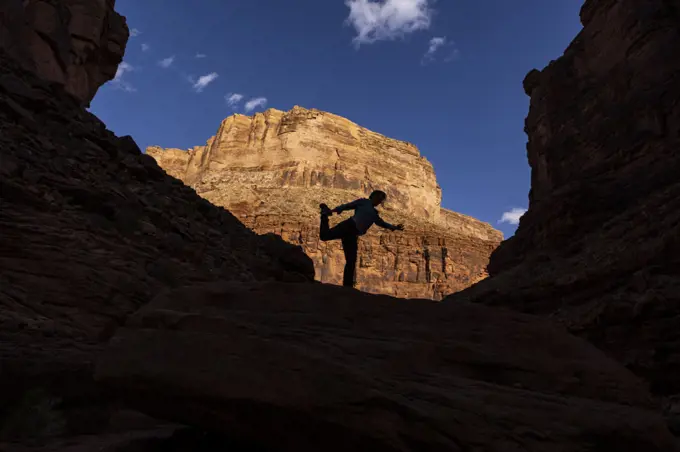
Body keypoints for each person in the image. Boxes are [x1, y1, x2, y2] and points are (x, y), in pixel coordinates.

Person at [319, 190, 404, 288]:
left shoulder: (374, 214)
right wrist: (333, 210)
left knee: (351, 260)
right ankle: (324, 214)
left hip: (353, 234)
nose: (380, 202)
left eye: (381, 200)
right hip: (348, 226)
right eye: (379, 199)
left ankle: (348, 286)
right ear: (373, 196)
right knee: (324, 236)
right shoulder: (364, 202)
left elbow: (382, 223)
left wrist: (394, 227)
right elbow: (348, 205)